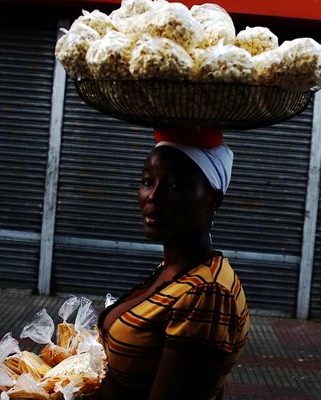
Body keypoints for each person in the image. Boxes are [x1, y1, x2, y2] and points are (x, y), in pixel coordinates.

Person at [96, 128, 250, 400]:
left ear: (211, 201)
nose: (152, 196)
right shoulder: (174, 270)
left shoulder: (206, 295)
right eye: (147, 181)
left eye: (175, 185)